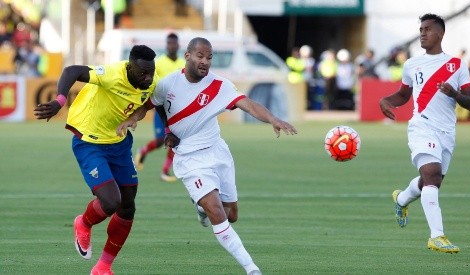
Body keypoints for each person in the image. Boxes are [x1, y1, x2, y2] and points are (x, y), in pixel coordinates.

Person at [117, 37, 297, 274]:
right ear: (188, 56)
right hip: (189, 159)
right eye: (200, 56)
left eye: (209, 57)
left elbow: (249, 104)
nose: (205, 62)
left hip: (218, 153)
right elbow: (151, 105)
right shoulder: (167, 84)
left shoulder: (220, 86)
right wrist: (136, 120)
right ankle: (252, 269)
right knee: (217, 212)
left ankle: (200, 207)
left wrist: (273, 119)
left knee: (232, 214)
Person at [34, 45, 158, 274]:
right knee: (112, 202)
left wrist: (134, 117)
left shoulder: (151, 79)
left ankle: (103, 267)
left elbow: (150, 102)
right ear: (130, 68)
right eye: (143, 73)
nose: (149, 78)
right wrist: (60, 101)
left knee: (128, 207)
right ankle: (83, 223)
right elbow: (72, 71)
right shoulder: (111, 74)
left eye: (151, 72)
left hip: (118, 143)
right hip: (89, 141)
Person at [379, 13, 470, 254]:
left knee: (432, 181)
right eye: (420, 29)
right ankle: (437, 236)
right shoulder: (412, 64)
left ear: (440, 33)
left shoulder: (456, 64)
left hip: (447, 132)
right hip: (421, 126)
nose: (422, 33)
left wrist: (454, 94)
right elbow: (403, 95)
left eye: (427, 29)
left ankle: (401, 199)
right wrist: (385, 100)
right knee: (431, 175)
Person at [134, 32, 185, 182]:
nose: (172, 46)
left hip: (177, 108)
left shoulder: (183, 64)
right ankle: (143, 151)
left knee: (176, 139)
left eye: (174, 43)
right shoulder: (160, 63)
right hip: (161, 107)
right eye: (169, 43)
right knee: (160, 140)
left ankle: (165, 171)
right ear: (166, 45)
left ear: (178, 45)